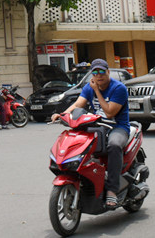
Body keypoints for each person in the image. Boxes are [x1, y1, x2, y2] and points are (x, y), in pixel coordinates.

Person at [51, 58, 129, 210]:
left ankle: (112, 190)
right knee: (79, 144)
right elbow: (78, 104)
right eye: (95, 72)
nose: (99, 75)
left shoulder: (118, 88)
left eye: (102, 72)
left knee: (114, 145)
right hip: (97, 126)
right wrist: (62, 114)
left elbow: (109, 112)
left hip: (117, 127)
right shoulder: (89, 87)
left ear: (108, 72)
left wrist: (97, 91)